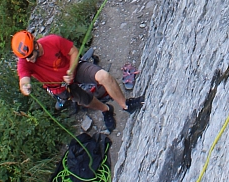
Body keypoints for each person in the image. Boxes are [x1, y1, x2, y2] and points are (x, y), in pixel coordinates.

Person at [11, 31, 143, 131]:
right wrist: (25, 87)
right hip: (59, 87)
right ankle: (106, 109)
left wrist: (70, 70)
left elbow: (73, 51)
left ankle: (126, 105)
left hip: (75, 68)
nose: (28, 60)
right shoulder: (24, 62)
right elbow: (23, 78)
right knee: (85, 100)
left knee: (104, 76)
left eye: (30, 56)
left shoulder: (52, 41)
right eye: (25, 58)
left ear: (36, 45)